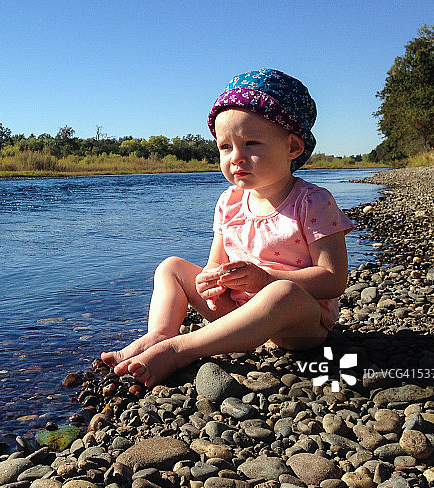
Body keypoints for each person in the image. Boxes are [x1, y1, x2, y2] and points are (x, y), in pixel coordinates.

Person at [101, 69, 354, 387]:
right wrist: (211, 280)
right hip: (236, 313)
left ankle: (181, 349)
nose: (236, 158)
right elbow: (214, 263)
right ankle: (160, 334)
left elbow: (333, 280)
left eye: (251, 143)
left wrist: (266, 278)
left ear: (292, 147)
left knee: (282, 292)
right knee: (172, 268)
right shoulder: (229, 201)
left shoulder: (313, 201)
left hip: (298, 324)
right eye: (225, 147)